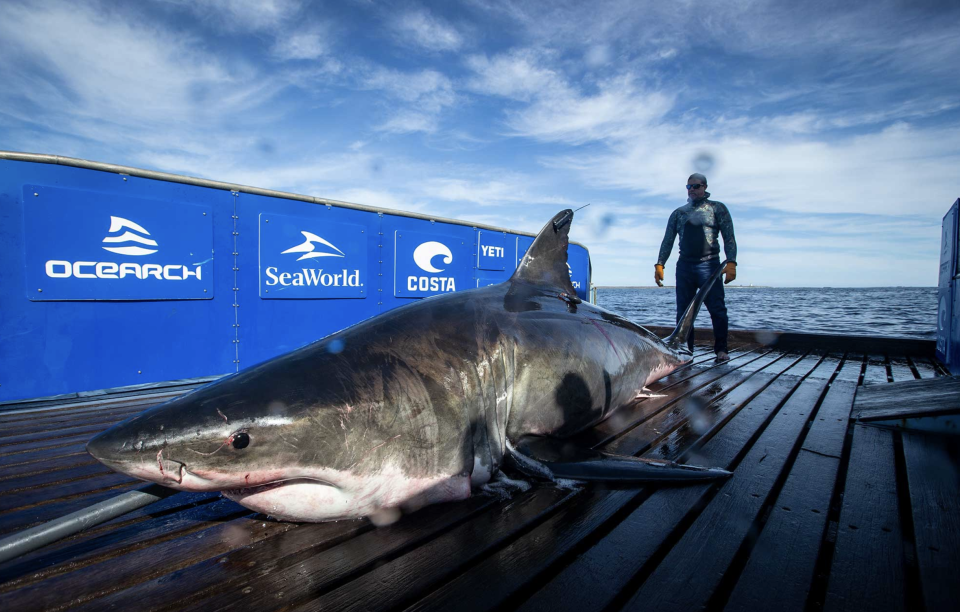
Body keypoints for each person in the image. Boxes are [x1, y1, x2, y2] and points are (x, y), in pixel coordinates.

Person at [654, 173, 737, 361]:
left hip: (710, 266)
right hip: (684, 266)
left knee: (717, 309)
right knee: (683, 311)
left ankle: (721, 350)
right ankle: (685, 351)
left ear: (705, 187)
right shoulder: (678, 213)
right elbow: (667, 240)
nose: (692, 190)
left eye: (696, 186)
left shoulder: (717, 208)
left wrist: (731, 261)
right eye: (689, 187)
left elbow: (729, 236)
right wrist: (660, 263)